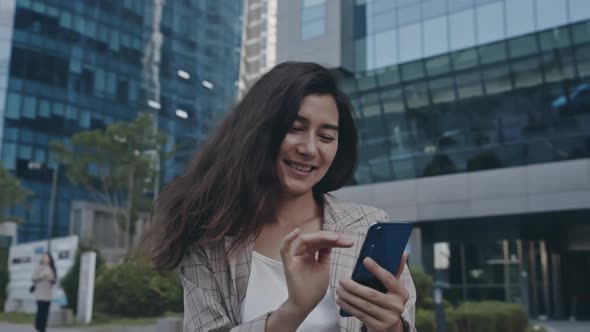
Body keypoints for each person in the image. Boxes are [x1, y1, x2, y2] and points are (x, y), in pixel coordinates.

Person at [146, 62, 417, 331]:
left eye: (326, 136)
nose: (310, 149)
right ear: (259, 130)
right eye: (295, 128)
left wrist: (392, 327)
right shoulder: (209, 236)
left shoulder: (367, 226)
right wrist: (294, 309)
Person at [31, 252, 57, 332]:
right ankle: (38, 326)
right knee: (40, 311)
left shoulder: (51, 268)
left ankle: (43, 328)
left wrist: (51, 279)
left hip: (48, 294)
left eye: (47, 257)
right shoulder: (39, 268)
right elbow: (33, 278)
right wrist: (43, 275)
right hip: (40, 293)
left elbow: (54, 280)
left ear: (50, 259)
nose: (46, 259)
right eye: (44, 257)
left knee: (45, 313)